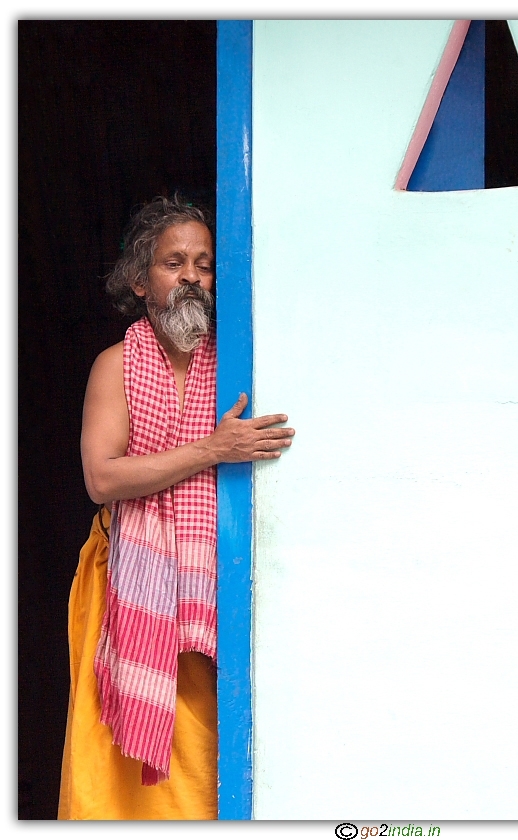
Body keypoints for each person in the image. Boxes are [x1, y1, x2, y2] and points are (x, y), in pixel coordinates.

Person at [58, 195, 295, 820]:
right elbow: (102, 477)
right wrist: (213, 449)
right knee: (124, 775)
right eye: (173, 263)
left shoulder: (237, 362)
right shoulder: (115, 365)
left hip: (216, 594)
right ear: (141, 281)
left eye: (204, 264)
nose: (191, 276)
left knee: (216, 760)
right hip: (131, 592)